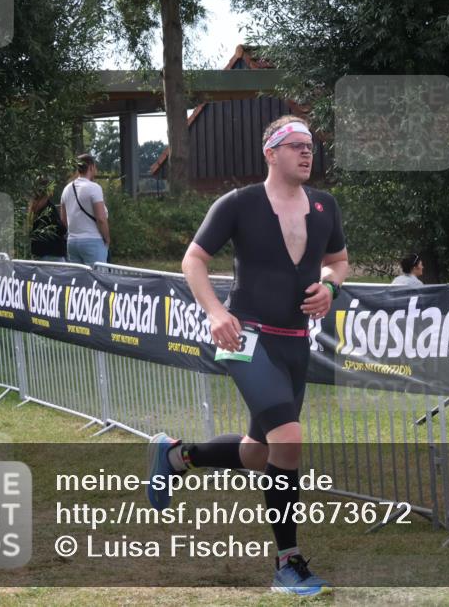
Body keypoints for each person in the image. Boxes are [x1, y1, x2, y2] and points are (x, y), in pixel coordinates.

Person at [146, 115, 348, 596]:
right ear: (270, 153)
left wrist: (331, 287)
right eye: (296, 146)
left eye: (310, 147)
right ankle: (288, 562)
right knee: (290, 439)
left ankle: (176, 455)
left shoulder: (324, 205)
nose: (306, 153)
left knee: (260, 452)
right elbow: (193, 259)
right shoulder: (239, 203)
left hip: (295, 341)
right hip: (246, 340)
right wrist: (216, 312)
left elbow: (338, 261)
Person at [59, 154, 110, 265]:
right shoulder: (94, 188)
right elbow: (101, 219)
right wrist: (107, 238)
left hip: (72, 243)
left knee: (77, 280)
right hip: (93, 241)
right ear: (91, 167)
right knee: (97, 279)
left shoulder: (66, 189)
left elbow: (63, 221)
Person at [28, 177, 67, 262]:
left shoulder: (33, 208)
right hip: (53, 252)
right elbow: (60, 229)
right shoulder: (49, 208)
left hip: (38, 252)